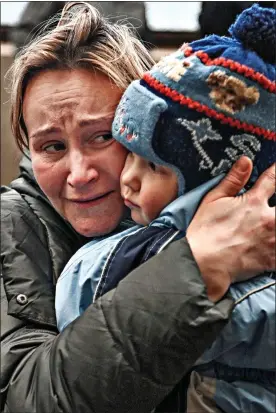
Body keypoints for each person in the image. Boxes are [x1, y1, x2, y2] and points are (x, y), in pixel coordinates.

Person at [1, 2, 275, 412]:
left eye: (103, 137)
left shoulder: (253, 219)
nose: (79, 174)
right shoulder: (12, 228)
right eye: (52, 147)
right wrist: (196, 269)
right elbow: (28, 395)